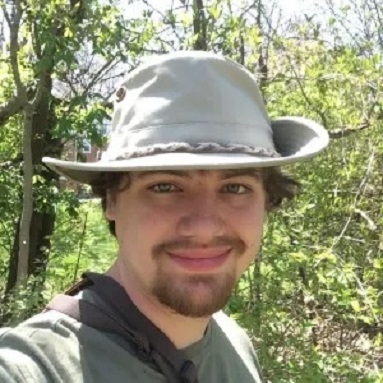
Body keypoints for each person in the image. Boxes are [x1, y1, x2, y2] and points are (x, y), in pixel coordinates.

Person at [0, 51, 329, 382]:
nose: (203, 226)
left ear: (266, 202)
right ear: (112, 199)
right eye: (165, 186)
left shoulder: (236, 346)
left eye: (235, 188)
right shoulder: (37, 366)